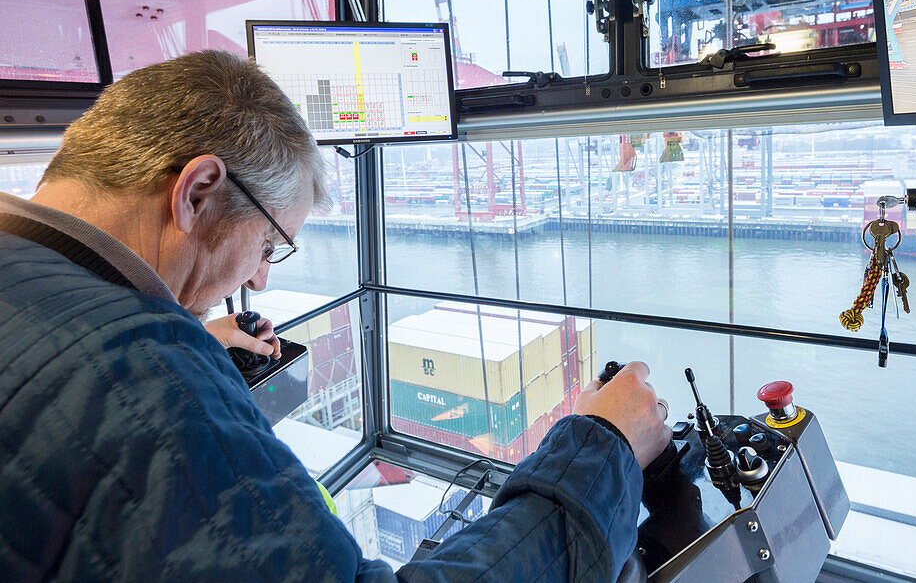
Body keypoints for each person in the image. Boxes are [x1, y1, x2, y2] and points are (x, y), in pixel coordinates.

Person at [0, 50, 671, 582]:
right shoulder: (150, 379)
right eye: (268, 246)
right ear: (198, 191)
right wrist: (600, 446)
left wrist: (199, 343)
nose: (260, 276)